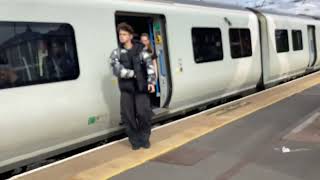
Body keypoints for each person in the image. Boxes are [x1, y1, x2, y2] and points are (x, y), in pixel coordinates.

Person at [110, 22, 156, 150]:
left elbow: (149, 66)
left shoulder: (142, 51)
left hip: (141, 90)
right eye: (120, 34)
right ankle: (135, 142)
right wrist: (134, 74)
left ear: (130, 36)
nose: (121, 36)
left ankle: (145, 138)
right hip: (126, 91)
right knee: (128, 117)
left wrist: (151, 82)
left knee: (144, 114)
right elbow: (117, 70)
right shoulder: (116, 53)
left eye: (124, 34)